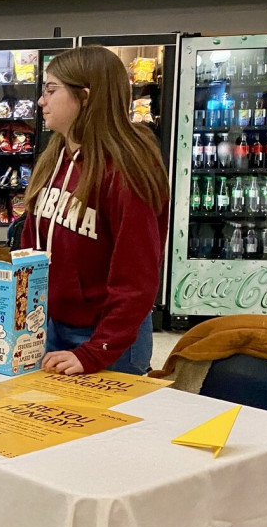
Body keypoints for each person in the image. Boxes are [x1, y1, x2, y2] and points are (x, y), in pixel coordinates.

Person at [20, 46, 169, 375]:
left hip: (108, 339)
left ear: (84, 97)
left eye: (50, 90)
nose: (41, 101)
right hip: (51, 325)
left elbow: (137, 280)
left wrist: (95, 351)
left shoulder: (128, 169)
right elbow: (32, 240)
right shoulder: (56, 154)